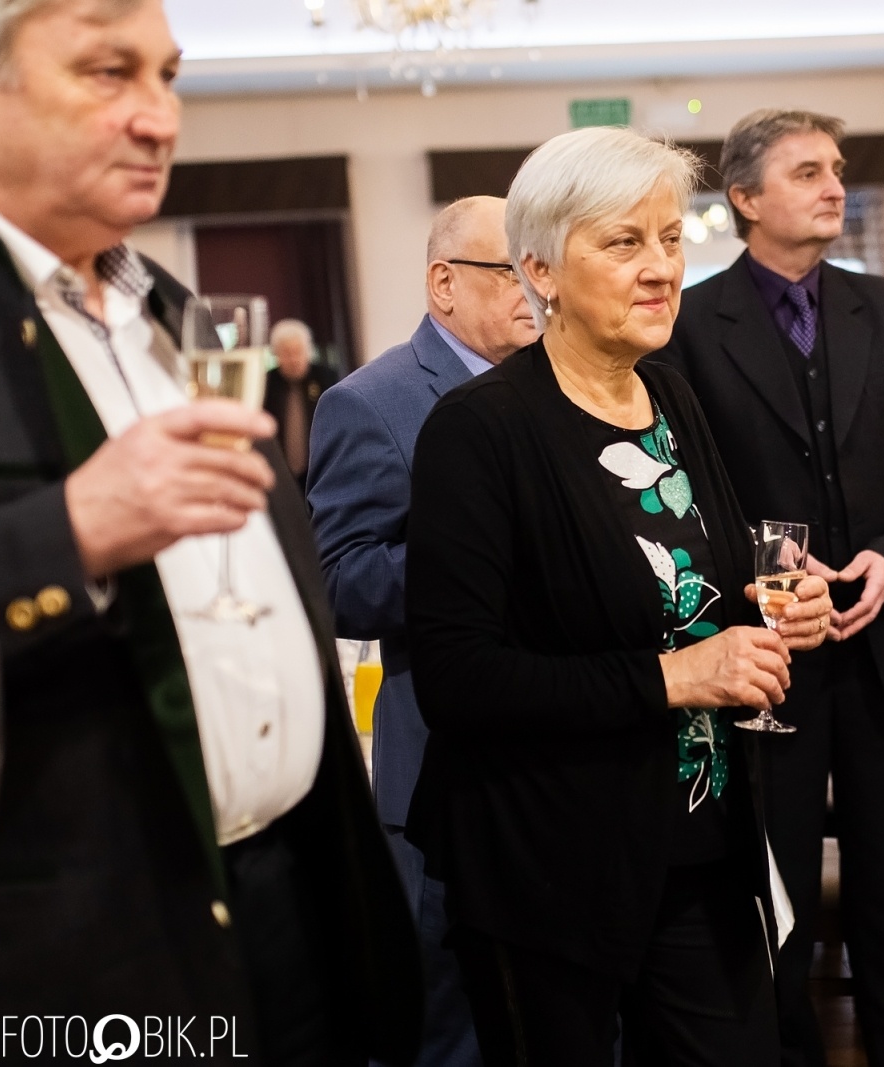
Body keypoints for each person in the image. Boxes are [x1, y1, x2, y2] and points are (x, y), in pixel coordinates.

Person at [0, 2, 421, 1065]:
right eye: (108, 72)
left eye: (170, 77)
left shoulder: (177, 313)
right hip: (85, 938)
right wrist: (72, 531)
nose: (159, 117)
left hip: (290, 891)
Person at [404, 126, 834, 1066]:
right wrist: (674, 677)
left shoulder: (672, 397)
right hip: (549, 862)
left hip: (705, 844)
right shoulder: (477, 431)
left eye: (673, 239)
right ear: (542, 270)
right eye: (624, 242)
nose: (662, 269)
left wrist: (770, 609)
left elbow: (697, 595)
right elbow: (458, 678)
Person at [658, 108, 884, 1067]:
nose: (834, 186)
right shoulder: (691, 323)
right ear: (745, 199)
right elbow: (682, 493)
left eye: (836, 170)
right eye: (806, 172)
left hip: (880, 651)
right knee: (773, 889)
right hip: (767, 659)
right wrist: (762, 573)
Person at [307, 195, 536, 1067]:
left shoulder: (559, 388)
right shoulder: (371, 403)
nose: (534, 290)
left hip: (568, 766)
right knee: (449, 1032)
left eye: (540, 269)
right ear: (444, 283)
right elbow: (339, 583)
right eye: (511, 270)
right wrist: (496, 563)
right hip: (446, 772)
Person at [263, 318, 337, 483]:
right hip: (278, 474)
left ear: (308, 351)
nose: (294, 359)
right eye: (287, 353)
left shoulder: (328, 379)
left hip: (322, 471)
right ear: (276, 354)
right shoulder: (266, 384)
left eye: (298, 351)